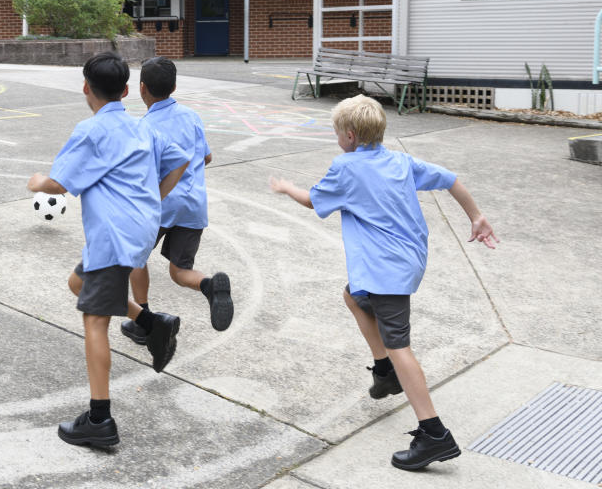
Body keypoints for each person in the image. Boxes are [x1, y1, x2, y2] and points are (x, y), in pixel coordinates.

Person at [269, 94, 498, 471]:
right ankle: (384, 371)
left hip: (386, 269)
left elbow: (313, 201)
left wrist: (286, 187)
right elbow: (450, 179)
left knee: (400, 345)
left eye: (337, 131)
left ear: (351, 135)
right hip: (404, 262)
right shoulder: (400, 161)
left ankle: (434, 433)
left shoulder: (345, 167)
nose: (336, 137)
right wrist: (476, 215)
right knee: (354, 296)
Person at [27, 51, 190, 449]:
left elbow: (59, 184)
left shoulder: (90, 129)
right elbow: (181, 160)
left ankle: (99, 419)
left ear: (86, 88)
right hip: (138, 230)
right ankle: (153, 324)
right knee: (77, 282)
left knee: (94, 322)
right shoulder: (142, 128)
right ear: (127, 90)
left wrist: (36, 182)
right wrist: (154, 196)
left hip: (114, 236)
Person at [120, 57, 233, 348]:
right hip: (194, 205)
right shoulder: (191, 116)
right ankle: (209, 286)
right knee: (179, 271)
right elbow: (206, 156)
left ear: (141, 89)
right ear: (175, 86)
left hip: (160, 204)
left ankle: (142, 318)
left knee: (135, 257)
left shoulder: (143, 126)